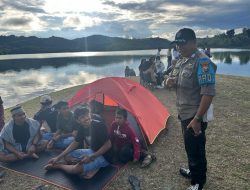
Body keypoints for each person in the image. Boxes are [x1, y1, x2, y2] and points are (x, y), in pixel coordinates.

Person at [165, 28, 216, 190]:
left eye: (183, 43)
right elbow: (175, 80)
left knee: (196, 149)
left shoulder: (203, 62)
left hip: (195, 115)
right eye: (177, 44)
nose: (179, 47)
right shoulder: (182, 60)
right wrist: (169, 82)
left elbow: (208, 93)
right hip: (184, 112)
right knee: (190, 146)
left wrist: (197, 119)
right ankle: (194, 171)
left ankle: (198, 182)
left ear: (194, 42)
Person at [44, 107, 112, 179]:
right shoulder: (81, 127)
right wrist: (58, 157)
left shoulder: (99, 125)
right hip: (92, 151)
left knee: (75, 170)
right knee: (67, 156)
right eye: (82, 117)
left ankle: (58, 166)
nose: (86, 118)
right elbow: (75, 143)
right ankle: (90, 167)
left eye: (87, 115)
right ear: (77, 120)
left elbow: (108, 145)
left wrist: (91, 157)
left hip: (105, 156)